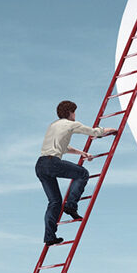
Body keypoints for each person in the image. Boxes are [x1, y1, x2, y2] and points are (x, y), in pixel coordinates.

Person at [36, 100, 117, 245]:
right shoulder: (71, 124)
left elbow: (64, 147)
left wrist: (82, 153)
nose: (75, 114)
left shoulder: (53, 125)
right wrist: (111, 130)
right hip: (52, 162)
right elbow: (93, 132)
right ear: (70, 113)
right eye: (74, 112)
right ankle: (71, 205)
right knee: (83, 174)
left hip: (41, 165)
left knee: (54, 202)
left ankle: (49, 237)